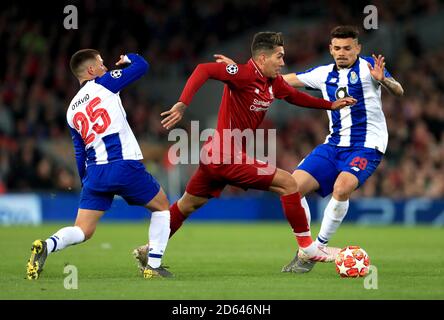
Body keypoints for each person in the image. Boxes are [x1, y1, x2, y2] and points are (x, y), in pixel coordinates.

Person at [133, 32, 356, 272]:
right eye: (279, 57)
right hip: (225, 156)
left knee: (187, 205)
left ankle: (150, 250)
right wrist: (183, 103)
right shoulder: (242, 74)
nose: (283, 63)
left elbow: (296, 97)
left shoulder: (273, 83)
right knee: (288, 183)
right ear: (262, 58)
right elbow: (203, 70)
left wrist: (330, 105)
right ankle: (309, 249)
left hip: (216, 158)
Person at [215, 25, 404, 273]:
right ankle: (309, 248)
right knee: (292, 187)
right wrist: (239, 72)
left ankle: (317, 248)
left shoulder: (370, 67)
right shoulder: (323, 73)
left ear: (358, 48)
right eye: (337, 48)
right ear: (330, 49)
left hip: (367, 145)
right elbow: (281, 80)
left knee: (342, 186)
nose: (342, 53)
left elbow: (399, 91)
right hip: (334, 144)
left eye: (348, 48)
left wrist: (385, 81)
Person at [26, 49, 172, 280]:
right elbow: (142, 65)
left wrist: (86, 180)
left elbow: (79, 151)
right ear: (91, 70)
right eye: (101, 63)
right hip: (122, 164)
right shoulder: (104, 83)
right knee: (162, 207)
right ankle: (153, 266)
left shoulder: (71, 110)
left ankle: (46, 245)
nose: (106, 67)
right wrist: (128, 58)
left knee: (82, 230)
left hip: (95, 173)